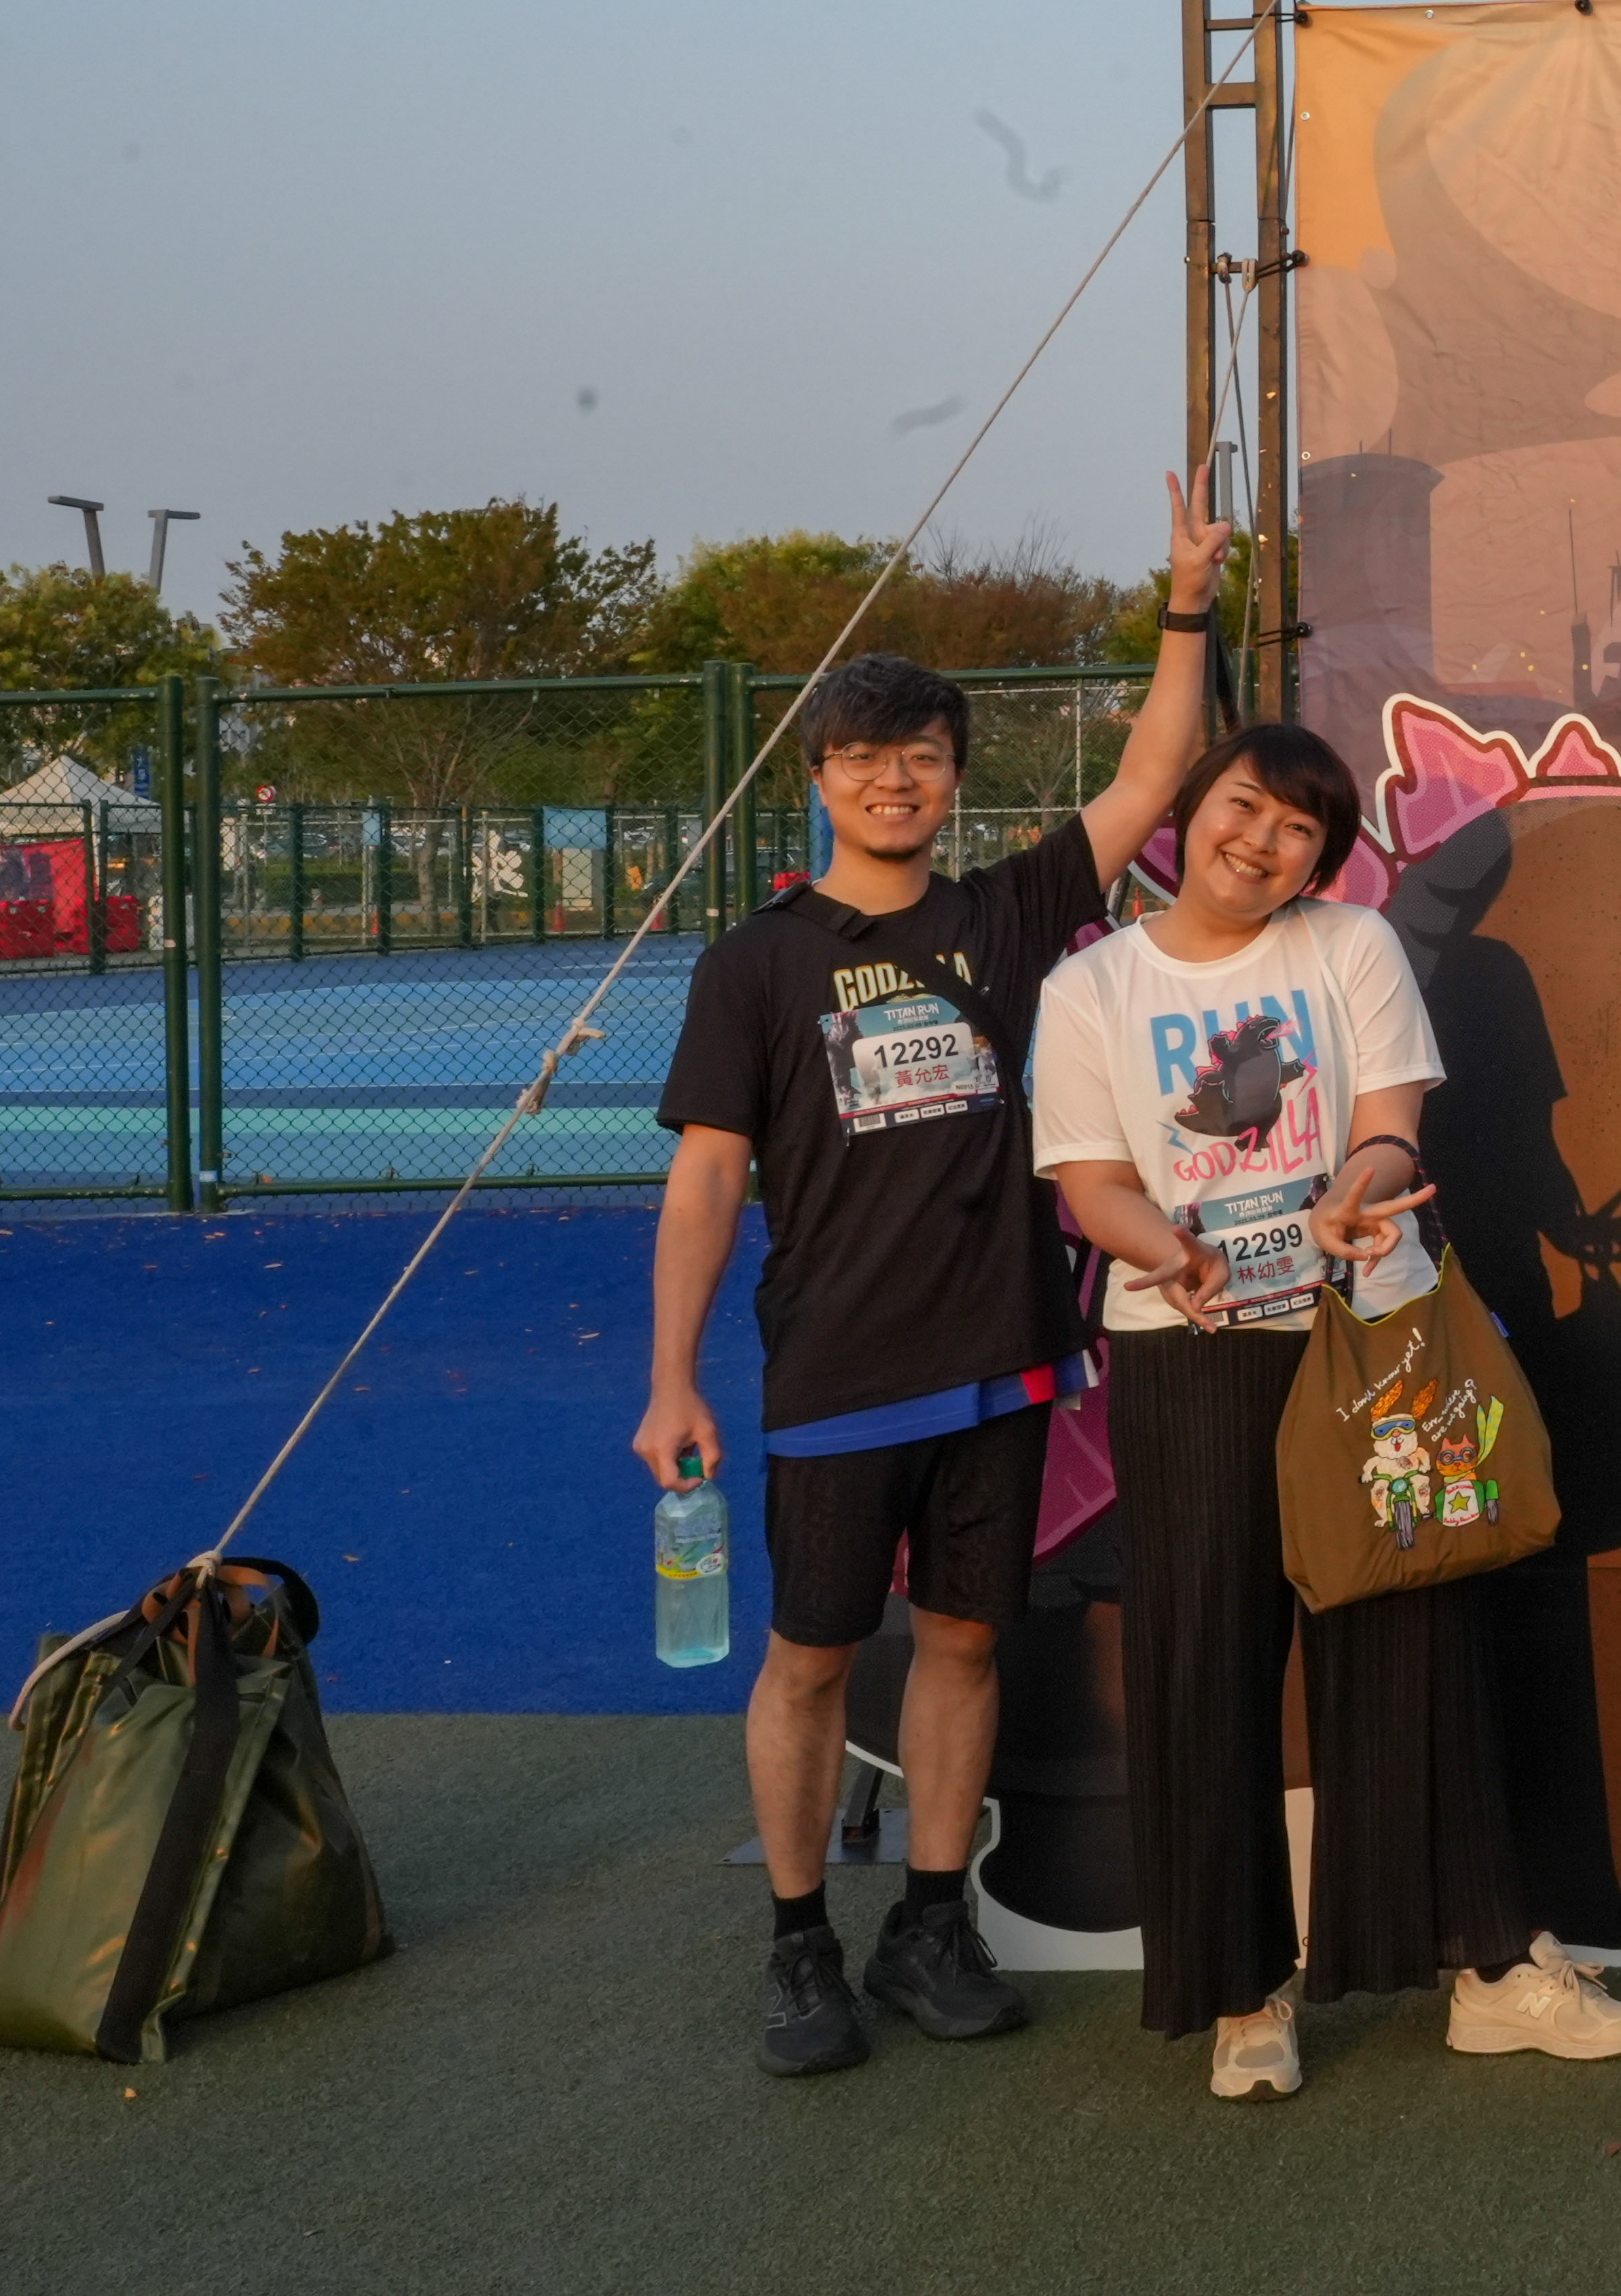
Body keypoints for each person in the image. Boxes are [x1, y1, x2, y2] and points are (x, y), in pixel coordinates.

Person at [635, 475, 1220, 2079]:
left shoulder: (1008, 912)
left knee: (965, 1642)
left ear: (955, 775)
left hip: (1003, 1355)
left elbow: (1154, 771)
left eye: (922, 754)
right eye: (863, 755)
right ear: (817, 776)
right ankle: (798, 1940)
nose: (893, 778)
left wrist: (1185, 598)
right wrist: (672, 1375)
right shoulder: (754, 962)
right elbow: (706, 1177)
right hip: (836, 1370)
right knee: (813, 1654)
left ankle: (933, 1920)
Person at [1032, 718, 1621, 2100]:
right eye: (1246, 806)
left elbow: (1387, 1125)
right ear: (1195, 806)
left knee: (1413, 1633)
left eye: (1299, 828)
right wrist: (1166, 1248)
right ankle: (1242, 1989)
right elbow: (1092, 1182)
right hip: (1188, 1349)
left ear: (1323, 858)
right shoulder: (1091, 987)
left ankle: (1485, 1965)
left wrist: (1357, 1198)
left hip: (1372, 1334)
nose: (1262, 841)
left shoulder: (1351, 947)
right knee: (1205, 1659)